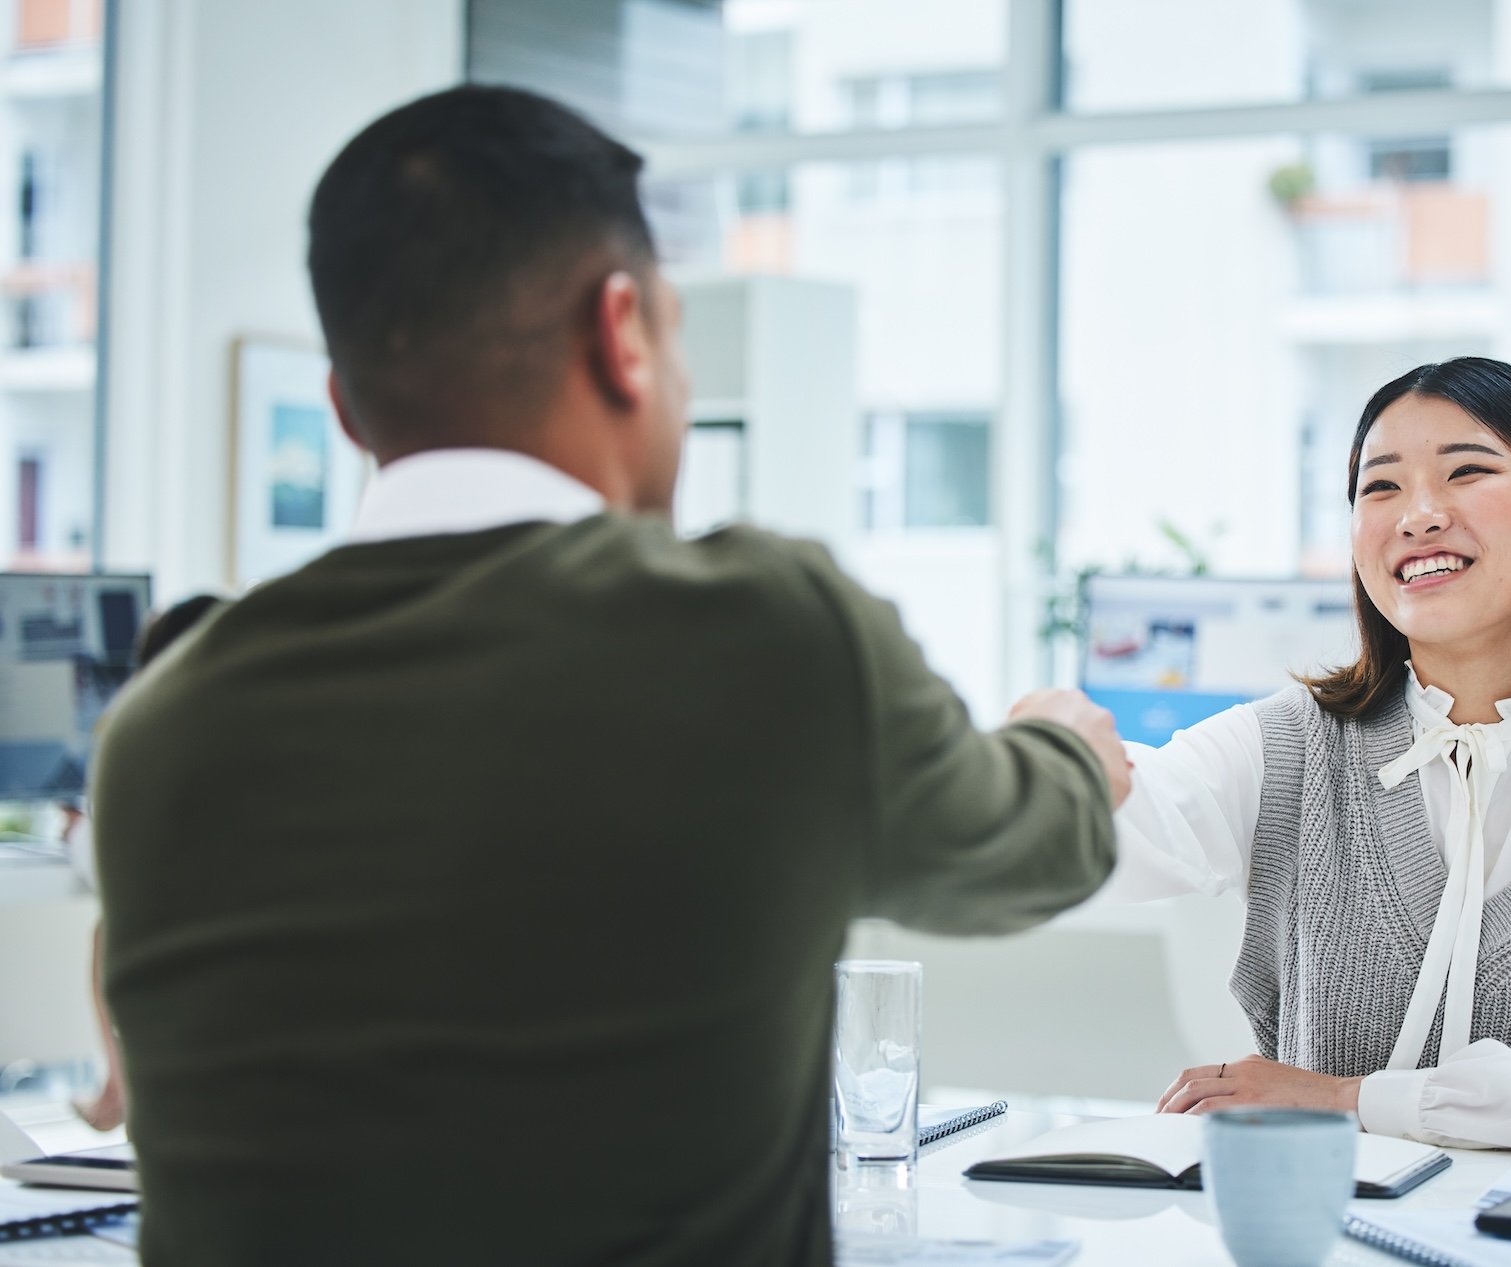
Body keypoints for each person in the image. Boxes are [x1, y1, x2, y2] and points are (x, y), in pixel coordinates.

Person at [90, 86, 1125, 1267]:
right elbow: (1029, 851)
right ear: (623, 330)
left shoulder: (160, 725)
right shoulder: (764, 632)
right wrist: (1068, 744)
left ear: (342, 406)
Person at [1103, 357, 1511, 1149]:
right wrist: (1066, 757)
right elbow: (1127, 825)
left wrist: (1349, 1099)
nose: (1418, 515)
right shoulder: (1290, 743)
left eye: (1467, 472)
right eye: (1380, 487)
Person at [66, 592, 225, 1133]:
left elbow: (116, 855)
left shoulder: (143, 733)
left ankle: (119, 1089)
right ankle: (118, 1089)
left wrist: (73, 836)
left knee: (109, 931)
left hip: (195, 927)